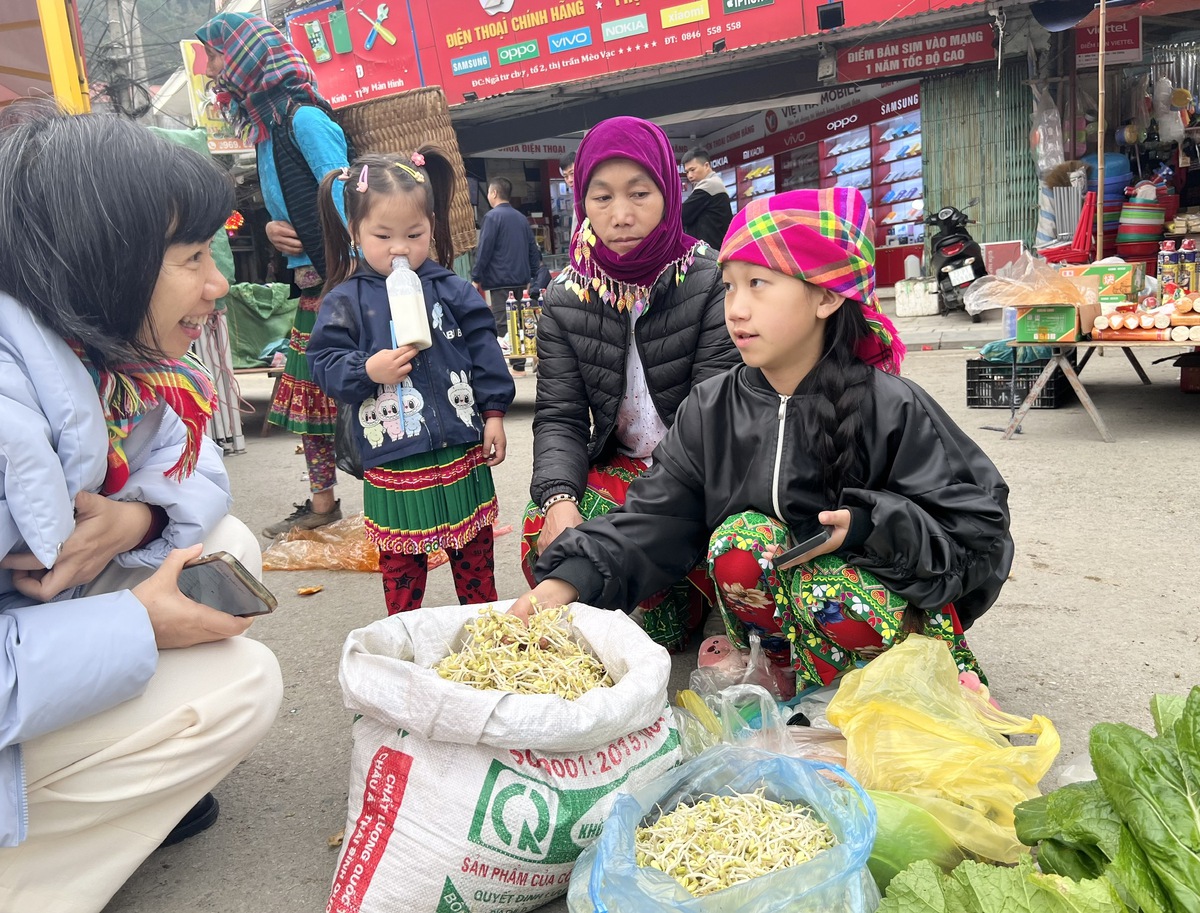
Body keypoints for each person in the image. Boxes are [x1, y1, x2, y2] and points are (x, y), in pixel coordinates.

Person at [514, 188, 1013, 695]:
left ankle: (919, 680)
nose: (737, 309)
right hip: (786, 602)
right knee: (740, 542)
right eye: (729, 287)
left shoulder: (890, 405)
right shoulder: (712, 408)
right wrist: (568, 581)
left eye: (758, 284)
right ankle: (781, 673)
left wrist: (873, 525)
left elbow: (978, 529)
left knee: (825, 587)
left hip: (877, 607)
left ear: (826, 295)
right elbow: (654, 520)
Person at [0, 106, 283, 912]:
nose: (218, 282)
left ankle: (123, 791)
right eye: (192, 256)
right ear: (106, 262)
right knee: (241, 685)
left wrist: (141, 521)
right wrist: (138, 626)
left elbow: (195, 471)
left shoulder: (102, 359)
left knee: (222, 550)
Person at [522, 116, 741, 651]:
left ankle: (689, 597)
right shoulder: (567, 296)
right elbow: (561, 416)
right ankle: (647, 595)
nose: (620, 216)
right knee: (542, 527)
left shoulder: (710, 279)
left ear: (668, 190)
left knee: (697, 589)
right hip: (621, 465)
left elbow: (713, 414)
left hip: (697, 472)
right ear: (583, 202)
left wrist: (649, 505)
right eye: (601, 198)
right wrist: (558, 499)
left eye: (640, 193)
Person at [308, 153, 516, 614]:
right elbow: (323, 362)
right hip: (394, 454)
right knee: (402, 562)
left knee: (474, 554)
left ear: (432, 226)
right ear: (354, 232)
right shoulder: (346, 300)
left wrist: (495, 413)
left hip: (460, 444)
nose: (400, 248)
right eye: (383, 236)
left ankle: (485, 625)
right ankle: (404, 633)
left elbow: (483, 349)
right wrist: (367, 370)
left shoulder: (452, 288)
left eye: (415, 235)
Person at [197, 12, 351, 538]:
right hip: (310, 284)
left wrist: (338, 261)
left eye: (216, 55)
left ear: (244, 55)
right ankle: (323, 501)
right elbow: (287, 207)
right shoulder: (267, 129)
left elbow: (343, 195)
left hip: (346, 285)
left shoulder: (304, 120)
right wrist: (272, 234)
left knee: (368, 392)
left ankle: (393, 494)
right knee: (312, 398)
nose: (212, 68)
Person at [470, 177, 541, 376]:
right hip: (521, 279)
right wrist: (533, 274)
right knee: (520, 320)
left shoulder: (492, 217)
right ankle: (524, 361)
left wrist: (476, 277)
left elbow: (485, 249)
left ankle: (516, 365)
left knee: (503, 321)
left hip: (500, 280)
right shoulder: (520, 218)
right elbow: (532, 249)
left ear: (493, 193)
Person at [681, 146, 733, 249]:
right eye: (687, 172)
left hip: (710, 252)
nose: (690, 176)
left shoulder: (709, 185)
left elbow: (682, 214)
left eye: (692, 170)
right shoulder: (714, 182)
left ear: (706, 166)